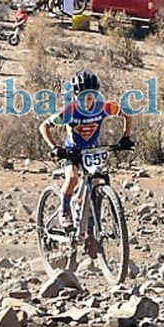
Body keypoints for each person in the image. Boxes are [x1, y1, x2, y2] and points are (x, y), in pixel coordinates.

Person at [39, 70, 134, 249]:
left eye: (91, 95)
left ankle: (90, 227)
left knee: (97, 182)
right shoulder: (70, 111)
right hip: (72, 150)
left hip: (92, 151)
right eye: (82, 96)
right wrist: (55, 148)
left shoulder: (103, 107)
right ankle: (64, 210)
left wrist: (126, 137)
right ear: (75, 95)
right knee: (73, 178)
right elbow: (44, 126)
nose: (87, 99)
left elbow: (127, 114)